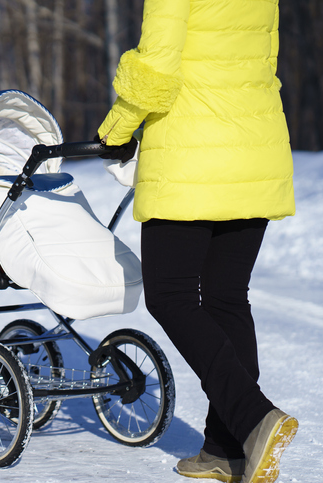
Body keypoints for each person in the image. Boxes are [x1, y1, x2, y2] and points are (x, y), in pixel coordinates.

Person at [96, 1, 298, 483]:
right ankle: (226, 450)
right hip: (257, 147)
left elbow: (156, 69)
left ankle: (253, 417)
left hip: (192, 156)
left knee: (171, 295)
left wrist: (116, 130)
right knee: (227, 297)